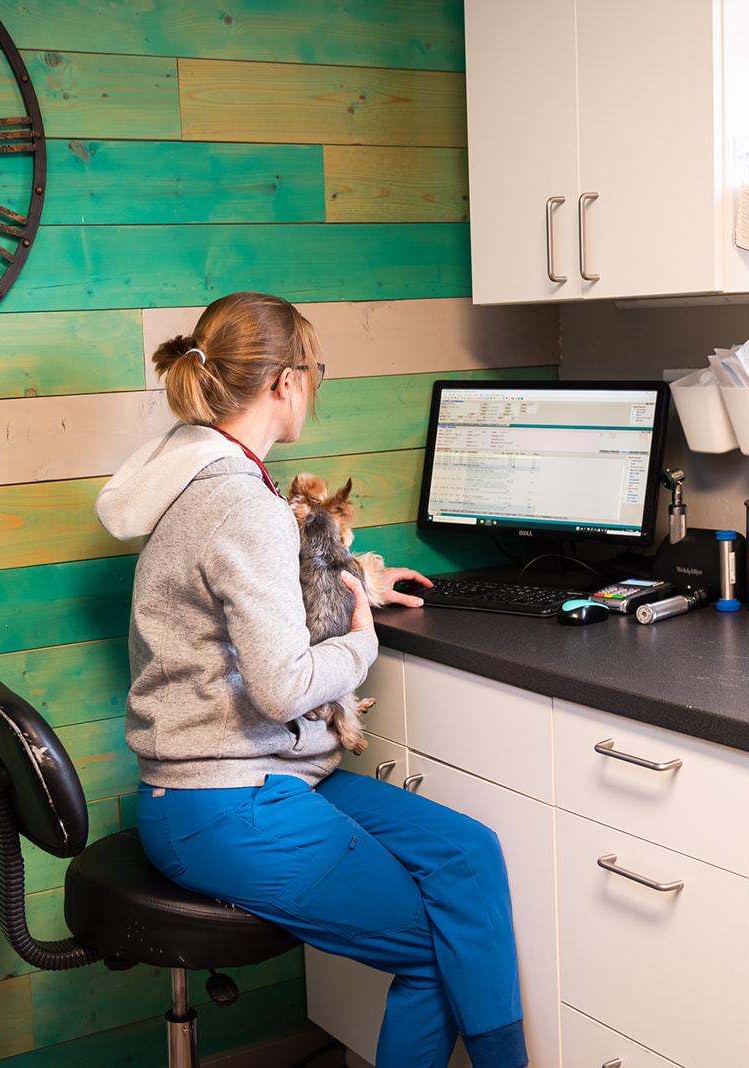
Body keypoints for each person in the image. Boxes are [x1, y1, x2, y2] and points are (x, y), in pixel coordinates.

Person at [95, 292, 527, 1068]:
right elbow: (283, 685)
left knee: (467, 852)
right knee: (434, 953)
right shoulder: (241, 502)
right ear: (286, 383)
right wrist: (361, 644)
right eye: (315, 371)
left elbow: (241, 591)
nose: (316, 388)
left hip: (242, 781)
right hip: (227, 803)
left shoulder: (197, 472)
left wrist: (359, 577)